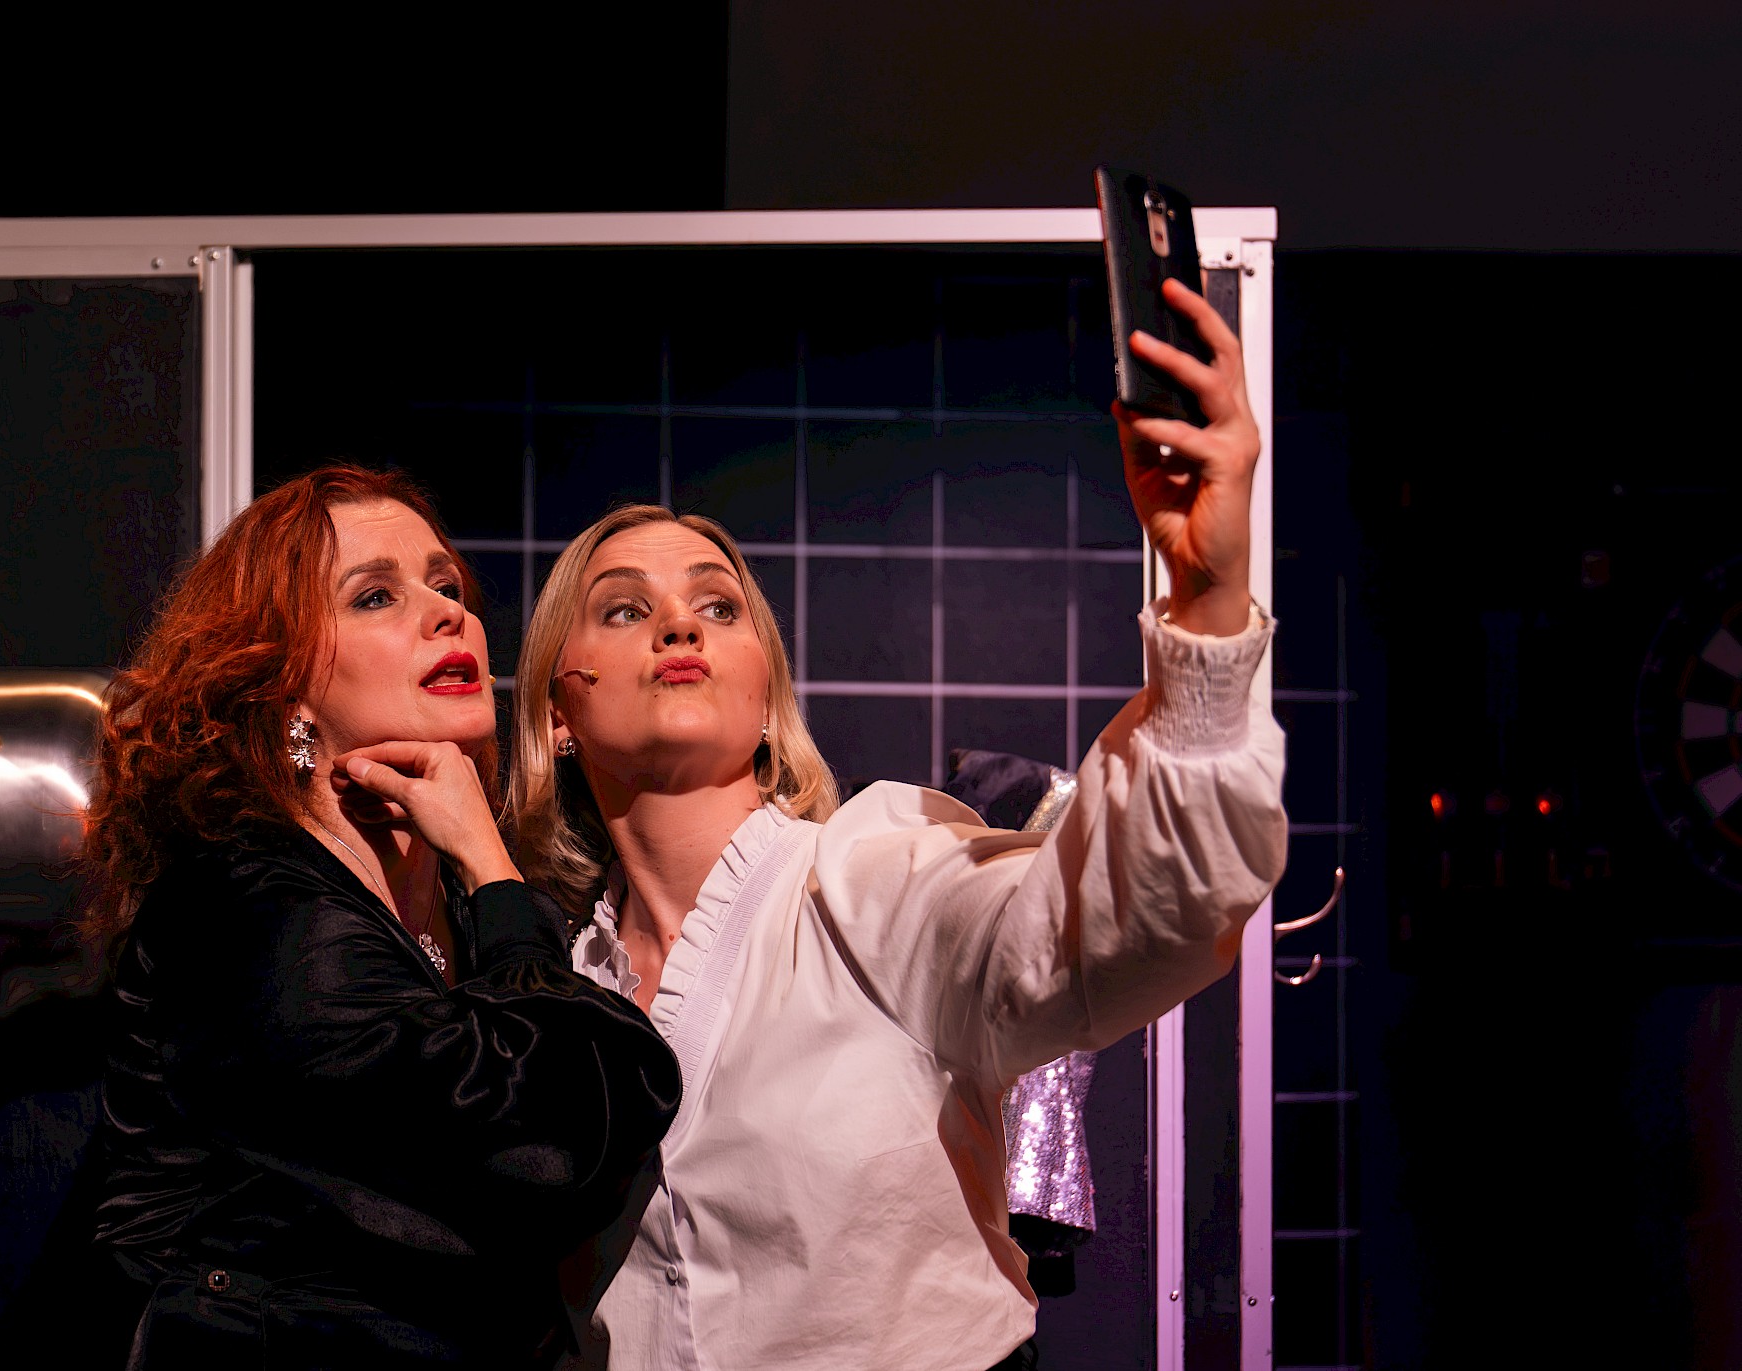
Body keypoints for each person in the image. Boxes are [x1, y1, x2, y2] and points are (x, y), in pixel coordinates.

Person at [509, 279, 1288, 1370]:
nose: (680, 623)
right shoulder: (552, 989)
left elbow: (1125, 923)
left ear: (764, 695)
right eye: (625, 608)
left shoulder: (869, 877)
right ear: (559, 710)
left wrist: (1206, 594)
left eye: (719, 606)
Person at [75, 465, 682, 1368]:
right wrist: (492, 865)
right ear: (282, 687)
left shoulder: (450, 914)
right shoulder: (252, 913)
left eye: (447, 586)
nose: (447, 614)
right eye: (374, 596)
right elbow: (548, 1149)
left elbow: (601, 1101)